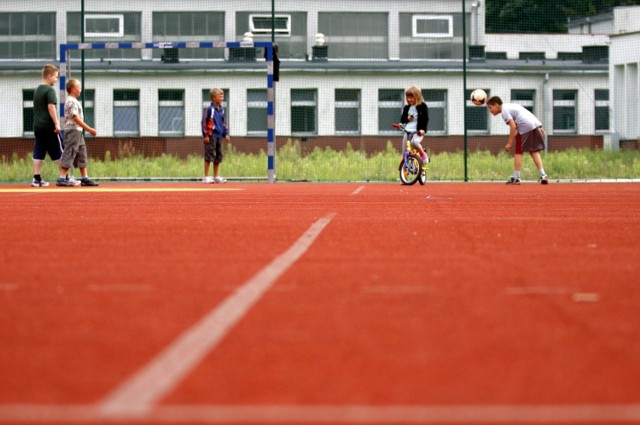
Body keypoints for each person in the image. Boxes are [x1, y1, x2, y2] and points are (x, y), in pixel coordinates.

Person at [486, 96, 548, 184]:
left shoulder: (504, 111)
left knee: (518, 151)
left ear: (496, 105)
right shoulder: (511, 106)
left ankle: (517, 177)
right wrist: (539, 126)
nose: (490, 110)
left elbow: (513, 126)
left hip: (525, 126)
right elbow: (527, 113)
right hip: (534, 124)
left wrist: (509, 143)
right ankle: (543, 175)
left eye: (490, 107)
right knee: (534, 151)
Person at [56, 79, 99, 187]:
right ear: (73, 89)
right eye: (79, 87)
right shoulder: (71, 101)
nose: (80, 90)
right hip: (73, 131)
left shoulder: (74, 101)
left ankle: (85, 178)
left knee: (81, 153)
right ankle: (62, 177)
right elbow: (75, 117)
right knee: (70, 152)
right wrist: (89, 129)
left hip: (78, 131)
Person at [31, 64, 64, 187]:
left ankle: (36, 177)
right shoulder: (50, 90)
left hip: (38, 126)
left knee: (39, 150)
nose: (56, 79)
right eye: (55, 76)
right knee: (59, 150)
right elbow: (51, 107)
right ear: (49, 76)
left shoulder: (37, 90)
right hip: (49, 126)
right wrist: (57, 124)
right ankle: (63, 176)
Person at [201, 88, 230, 183]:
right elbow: (204, 122)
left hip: (219, 136)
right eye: (220, 96)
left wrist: (226, 133)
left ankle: (216, 176)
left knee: (218, 155)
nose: (222, 98)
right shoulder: (210, 109)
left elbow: (223, 123)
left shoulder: (221, 109)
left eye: (222, 96)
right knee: (209, 155)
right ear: (213, 98)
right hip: (211, 135)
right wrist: (205, 135)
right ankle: (206, 176)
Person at [400, 86, 429, 165]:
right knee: (405, 151)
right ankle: (405, 170)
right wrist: (407, 119)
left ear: (417, 97)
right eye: (408, 97)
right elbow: (402, 120)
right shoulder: (407, 108)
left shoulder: (423, 106)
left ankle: (423, 154)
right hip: (407, 131)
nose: (409, 99)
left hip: (418, 131)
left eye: (411, 97)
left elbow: (425, 119)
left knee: (414, 142)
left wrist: (423, 129)